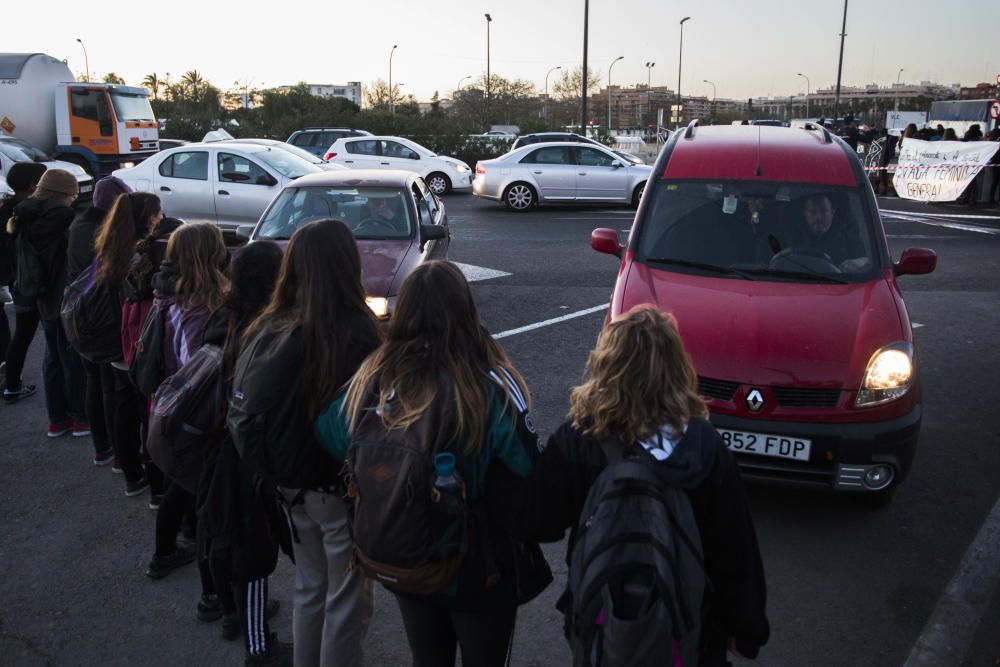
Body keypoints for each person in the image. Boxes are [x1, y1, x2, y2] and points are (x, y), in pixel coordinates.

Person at [315, 259, 551, 667]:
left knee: (427, 657)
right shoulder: (484, 383)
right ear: (465, 311)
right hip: (477, 560)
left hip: (402, 546)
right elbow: (531, 467)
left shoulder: (375, 376)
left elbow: (331, 432)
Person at [523, 305, 770, 666]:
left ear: (607, 364)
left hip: (603, 624)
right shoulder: (702, 444)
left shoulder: (580, 439)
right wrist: (747, 629)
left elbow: (539, 522)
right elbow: (734, 548)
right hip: (689, 627)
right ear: (676, 367)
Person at [240, 219, 381, 667]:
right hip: (335, 487)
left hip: (286, 481)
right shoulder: (352, 329)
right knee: (347, 599)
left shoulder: (270, 322)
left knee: (309, 587)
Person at [196, 240, 291, 665]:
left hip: (217, 440)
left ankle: (226, 609)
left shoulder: (224, 315)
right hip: (245, 449)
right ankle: (257, 644)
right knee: (253, 548)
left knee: (222, 530)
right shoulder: (263, 327)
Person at [146, 223, 229, 579]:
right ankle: (206, 583)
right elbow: (194, 359)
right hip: (192, 406)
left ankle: (168, 548)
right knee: (191, 486)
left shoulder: (171, 290)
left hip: (173, 400)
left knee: (179, 486)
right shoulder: (196, 303)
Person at [93, 191, 165, 495]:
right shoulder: (146, 253)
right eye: (159, 213)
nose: (161, 218)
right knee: (147, 411)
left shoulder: (109, 245)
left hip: (117, 340)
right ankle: (155, 481)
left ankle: (128, 471)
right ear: (150, 217)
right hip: (140, 342)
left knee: (123, 408)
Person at [9, 168, 88, 437]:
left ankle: (57, 419)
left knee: (52, 358)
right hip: (61, 295)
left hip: (39, 294)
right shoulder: (61, 218)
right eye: (72, 194)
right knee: (71, 359)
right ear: (61, 194)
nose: (73, 200)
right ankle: (80, 418)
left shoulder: (25, 214)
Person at [67, 176, 133, 467]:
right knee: (108, 388)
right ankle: (116, 453)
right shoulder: (98, 233)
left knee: (97, 384)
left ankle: (104, 447)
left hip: (85, 318)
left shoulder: (80, 226)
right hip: (98, 320)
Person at [1, 161, 47, 404]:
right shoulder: (33, 212)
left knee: (22, 334)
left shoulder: (6, 209)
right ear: (33, 186)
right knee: (51, 341)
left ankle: (11, 384)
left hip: (17, 283)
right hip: (33, 284)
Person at [795, 194, 870, 273]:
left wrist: (857, 263)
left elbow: (865, 260)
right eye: (813, 212)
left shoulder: (847, 235)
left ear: (832, 213)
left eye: (824, 211)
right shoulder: (793, 235)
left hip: (841, 282)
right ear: (805, 213)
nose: (818, 217)